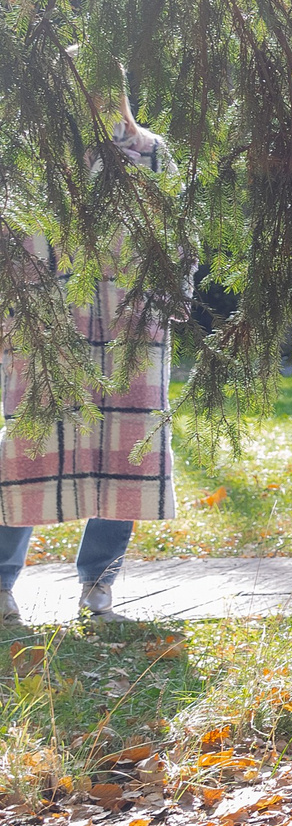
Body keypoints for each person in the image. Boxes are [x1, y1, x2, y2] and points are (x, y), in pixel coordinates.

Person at [0, 105, 176, 628]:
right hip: (45, 330)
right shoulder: (30, 154)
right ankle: (2, 584)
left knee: (125, 459)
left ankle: (99, 586)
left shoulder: (151, 155)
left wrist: (164, 304)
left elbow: (178, 241)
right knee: (25, 454)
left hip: (130, 331)